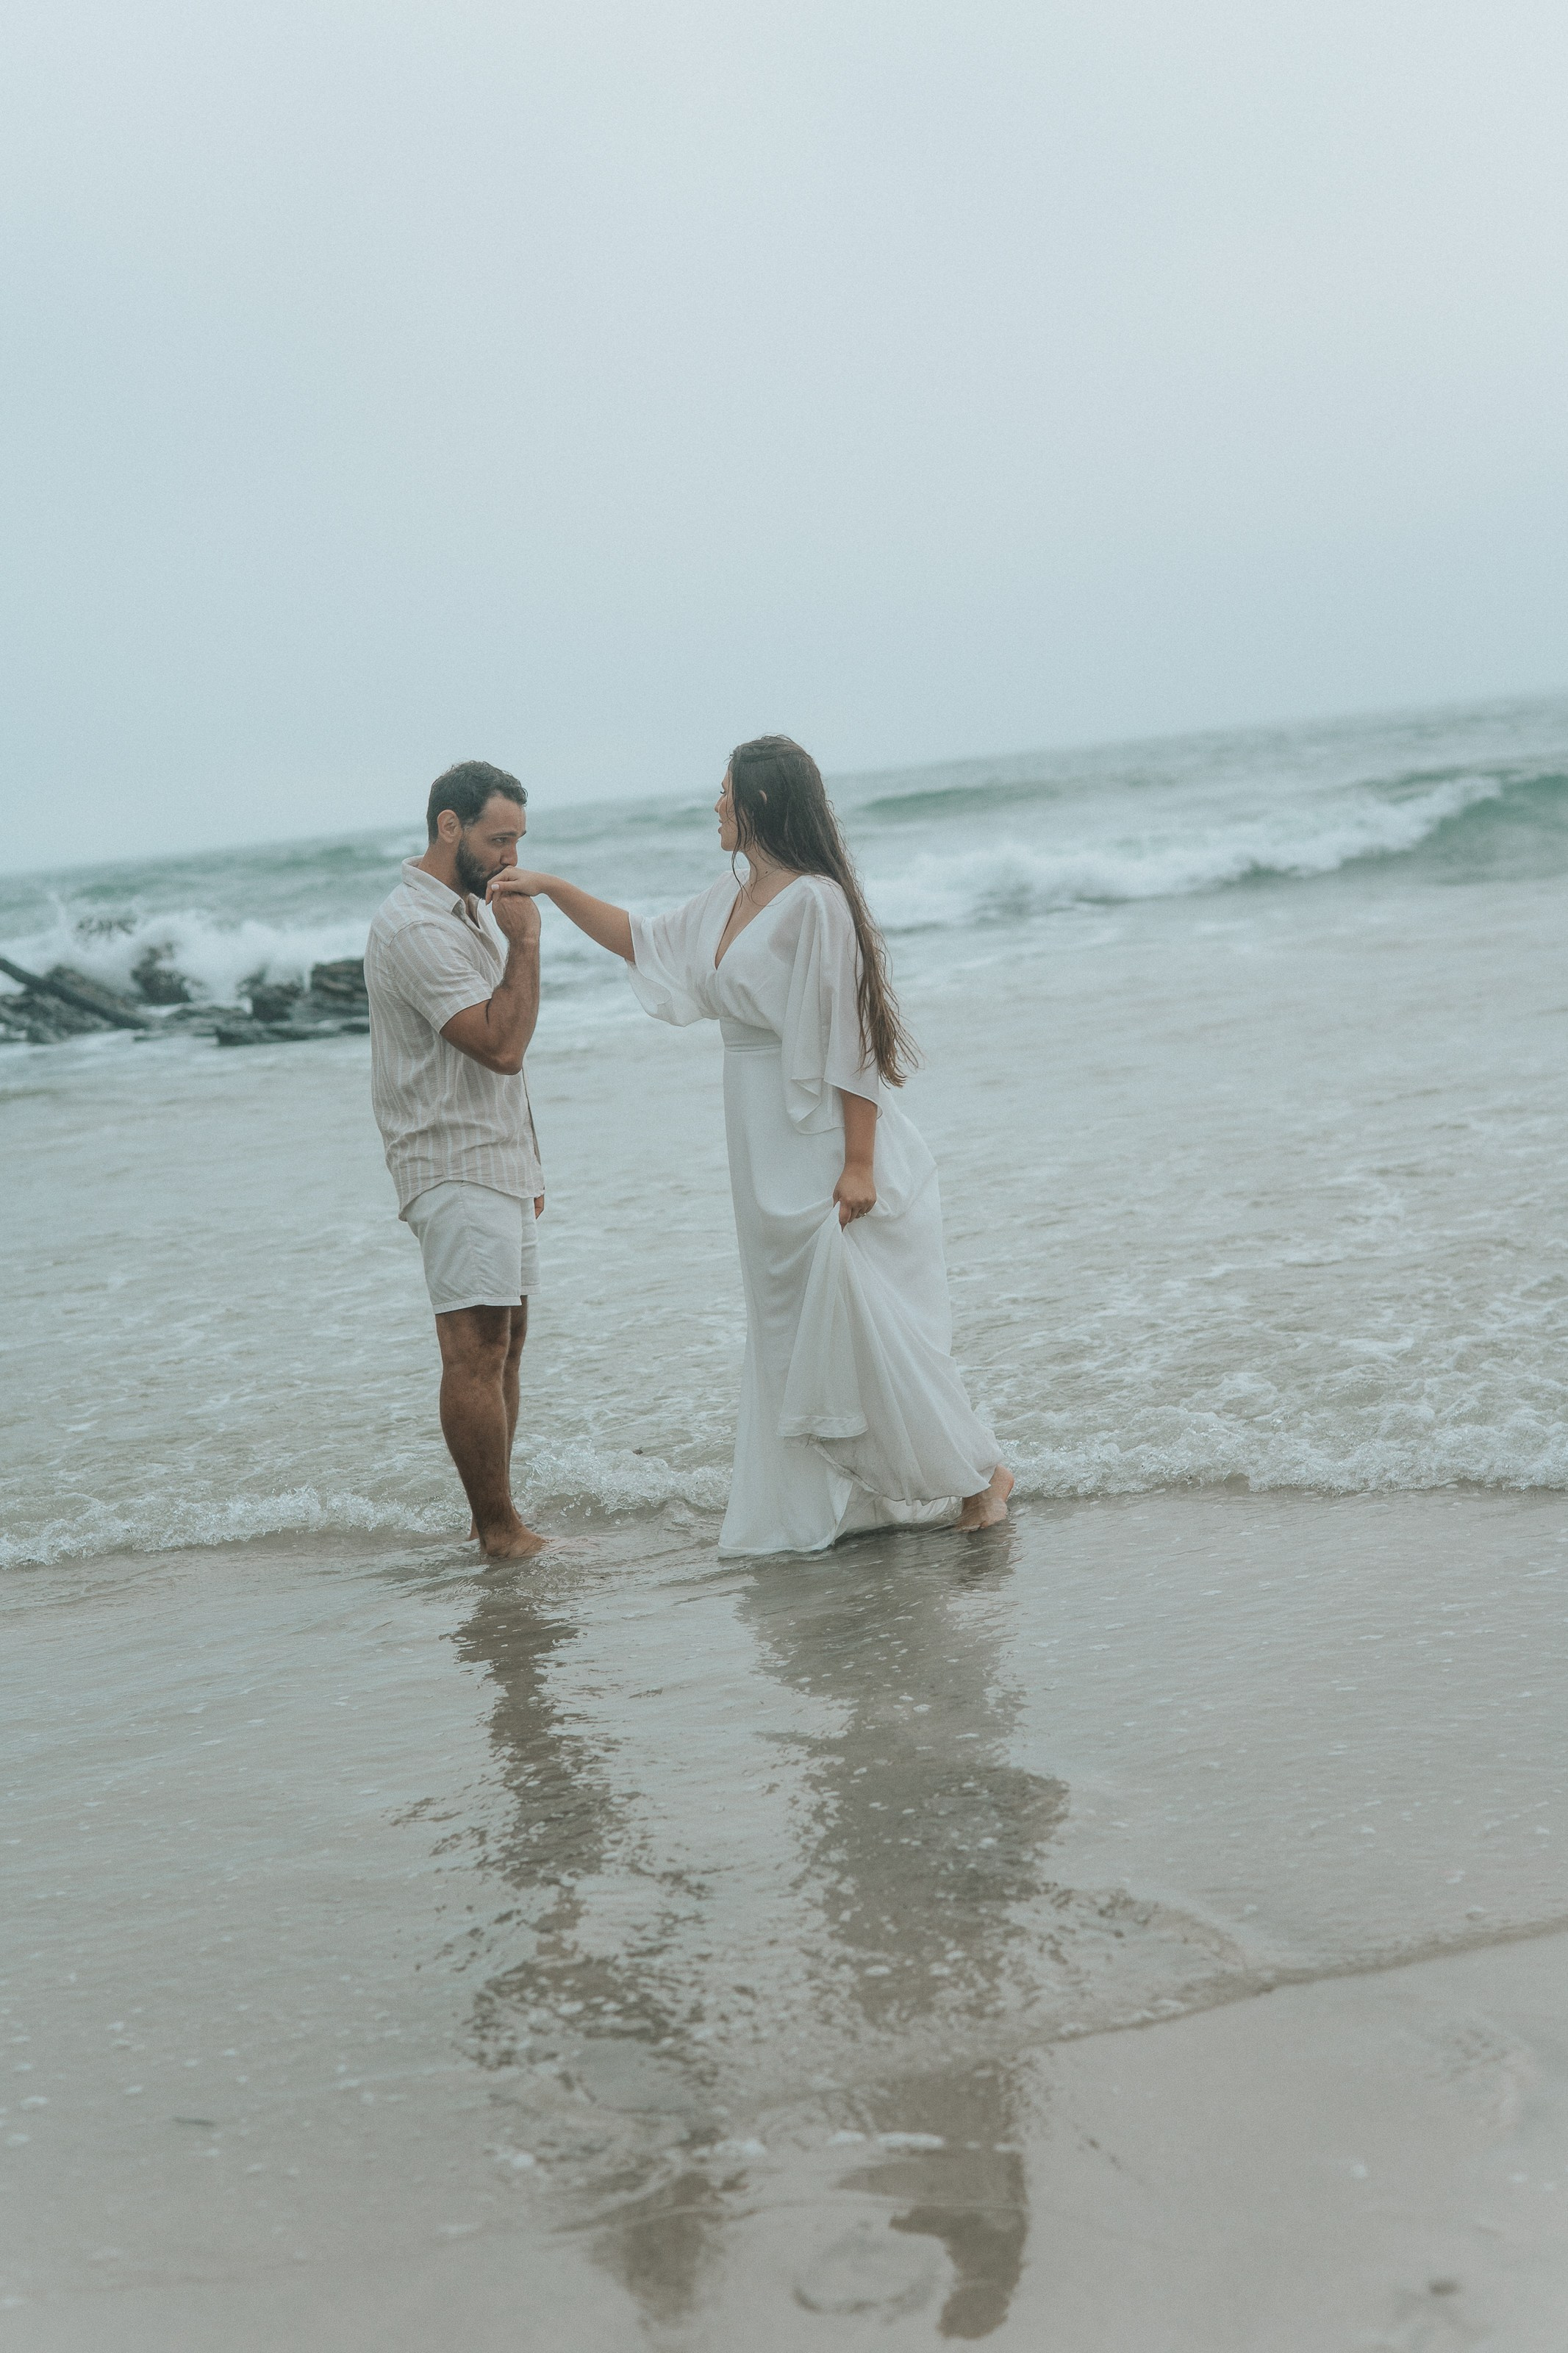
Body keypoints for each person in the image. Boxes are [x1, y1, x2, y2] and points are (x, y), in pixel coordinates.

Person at [493, 733, 1012, 1557]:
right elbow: (644, 939)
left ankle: (982, 1472)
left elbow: (851, 1037)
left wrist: (858, 1161)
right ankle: (834, 1504)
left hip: (812, 1132)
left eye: (726, 791)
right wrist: (552, 887)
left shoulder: (817, 901)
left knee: (858, 1314)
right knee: (787, 1325)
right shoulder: (730, 896)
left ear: (761, 802)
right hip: (755, 1132)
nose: (716, 806)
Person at [365, 760, 548, 1560]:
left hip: (497, 1158)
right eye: (497, 837)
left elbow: (504, 1062)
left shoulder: (468, 913)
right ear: (450, 827)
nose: (511, 856)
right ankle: (500, 1532)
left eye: (518, 839)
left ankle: (493, 1519)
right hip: (450, 1159)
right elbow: (500, 1045)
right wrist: (530, 944)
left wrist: (532, 1162)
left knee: (506, 1340)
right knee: (473, 1347)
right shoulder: (416, 926)